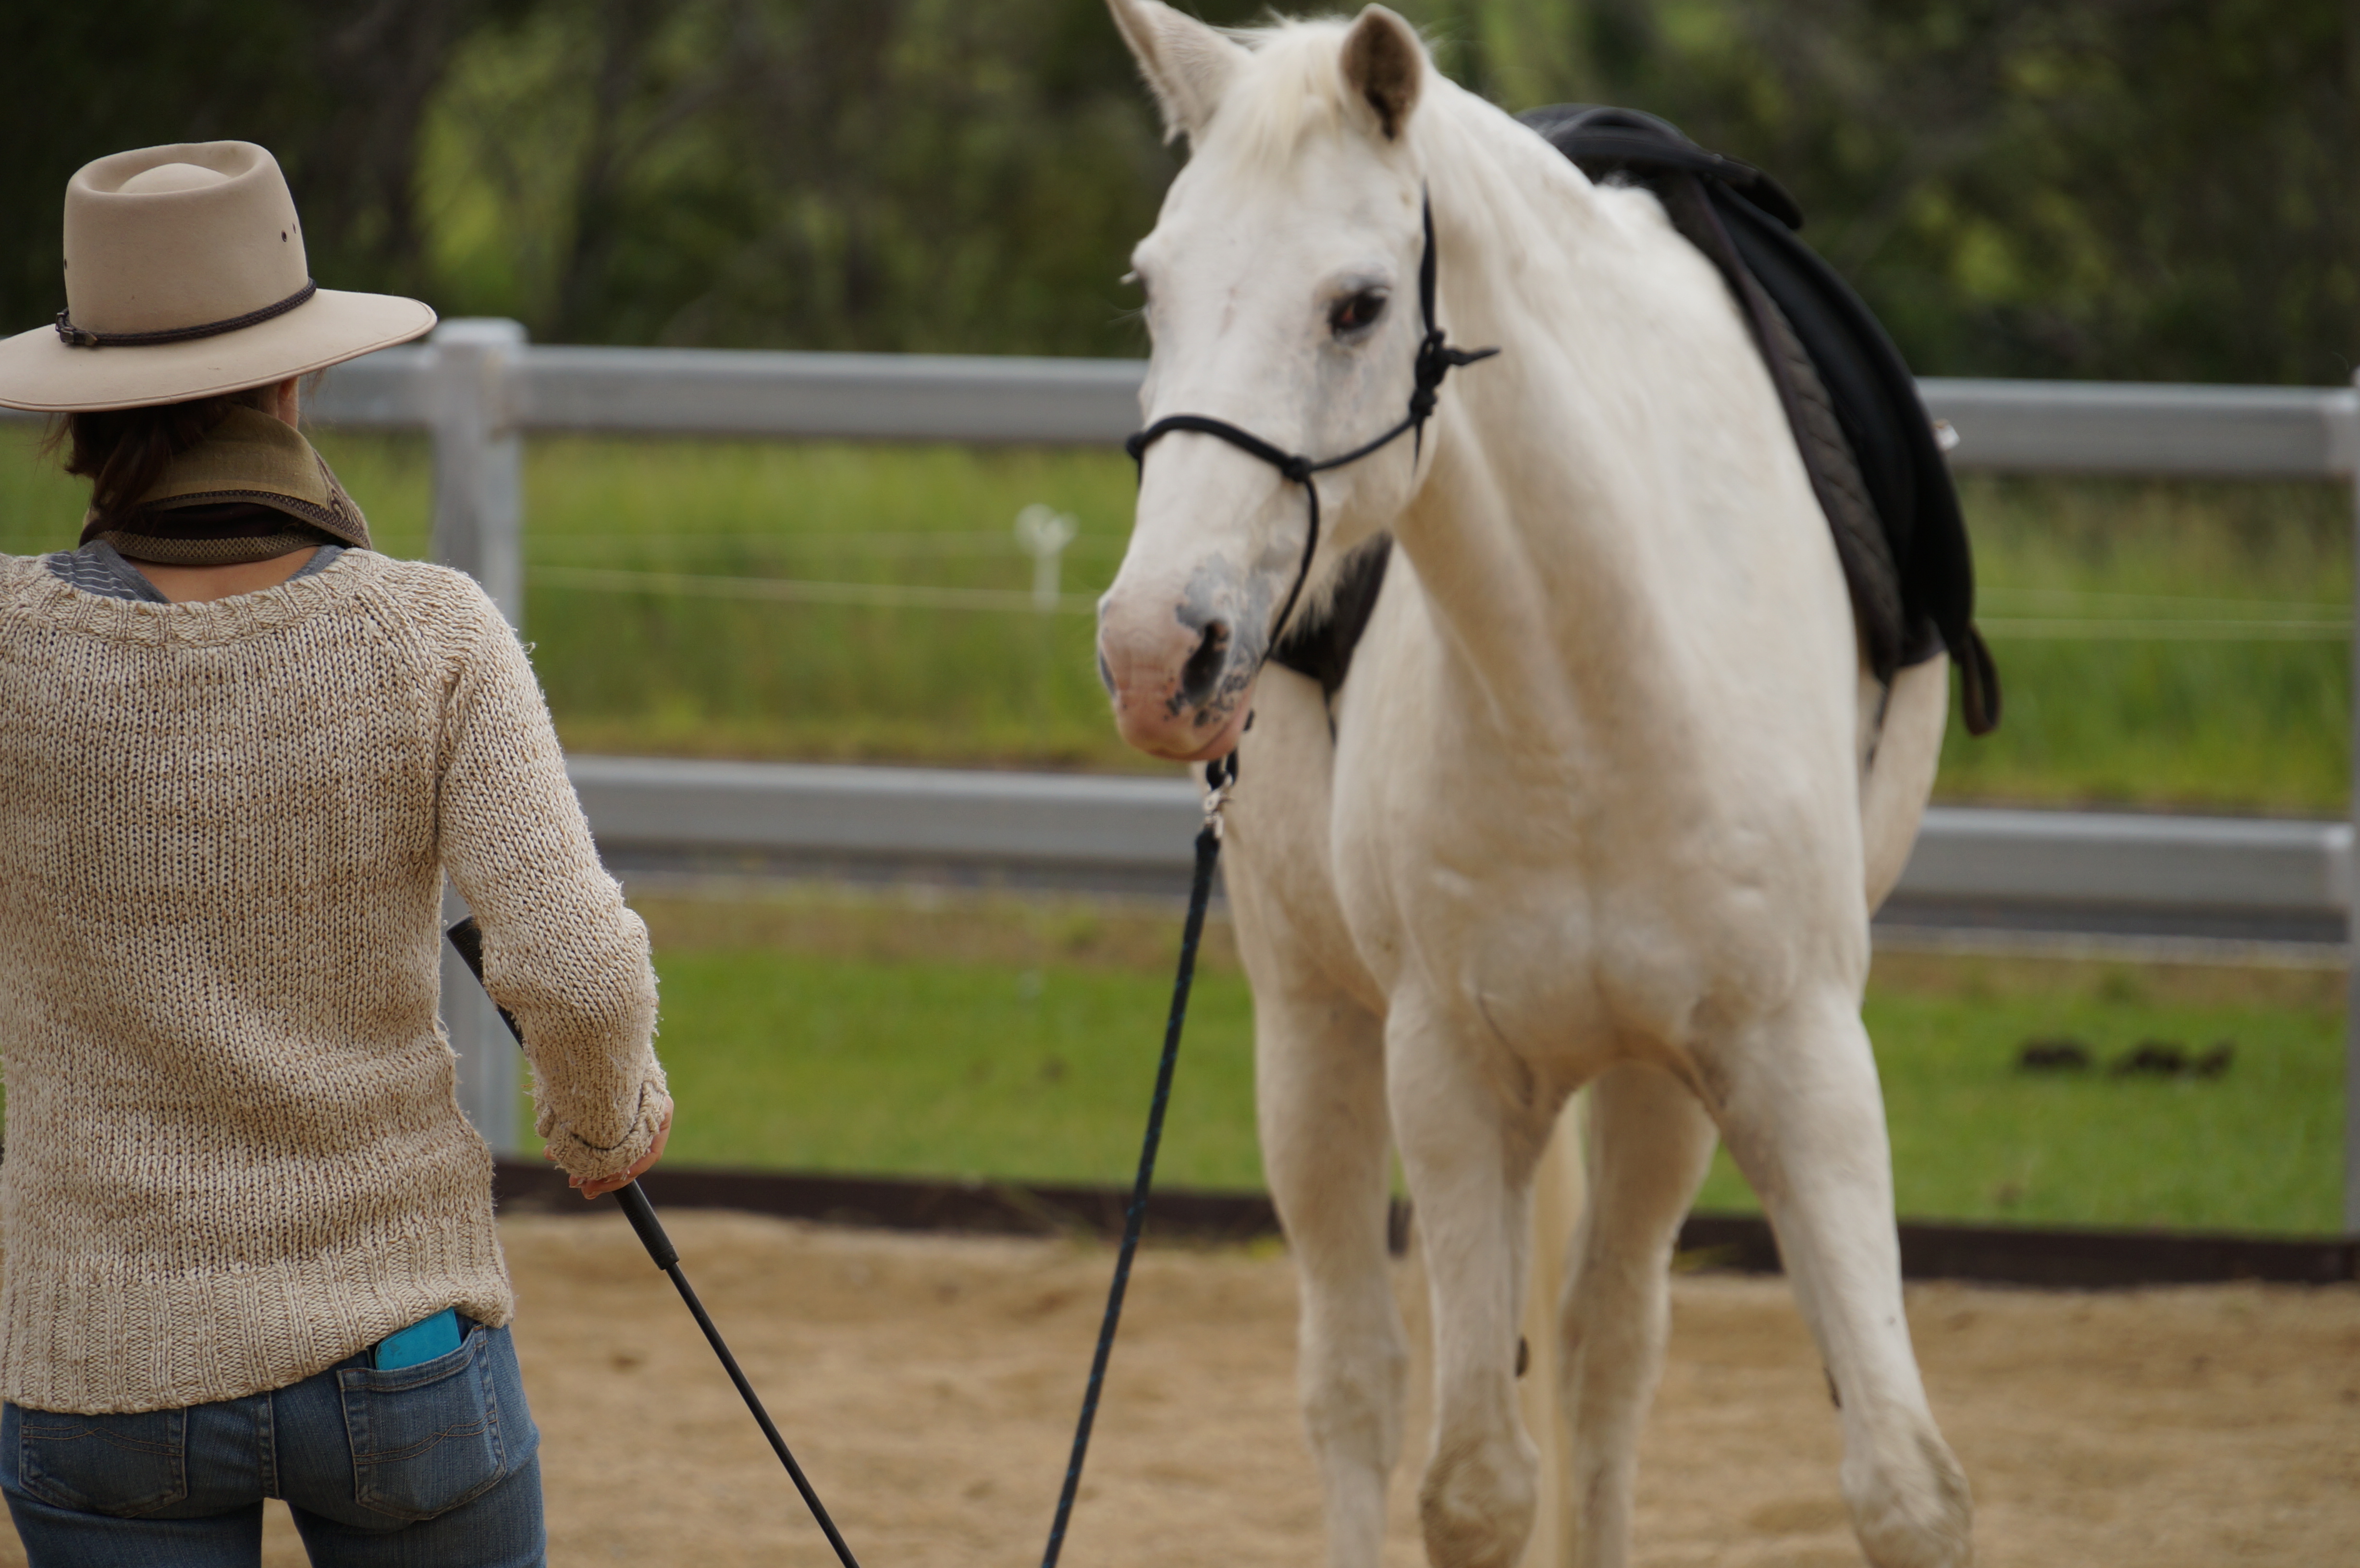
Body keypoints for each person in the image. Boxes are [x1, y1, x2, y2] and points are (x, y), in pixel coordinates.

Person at [0, 141, 670, 1567]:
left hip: (97, 1359)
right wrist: (603, 1127)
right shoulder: (428, 635)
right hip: (400, 1343)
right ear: (295, 378)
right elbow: (576, 962)